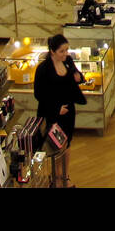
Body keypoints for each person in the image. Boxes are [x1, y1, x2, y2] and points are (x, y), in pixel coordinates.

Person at [33, 33, 87, 189]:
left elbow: (78, 76)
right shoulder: (43, 69)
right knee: (55, 145)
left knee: (67, 143)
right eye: (62, 51)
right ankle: (56, 178)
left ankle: (64, 176)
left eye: (67, 50)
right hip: (52, 113)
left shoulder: (68, 62)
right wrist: (56, 108)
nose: (66, 54)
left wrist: (79, 77)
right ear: (52, 51)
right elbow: (39, 94)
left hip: (68, 112)